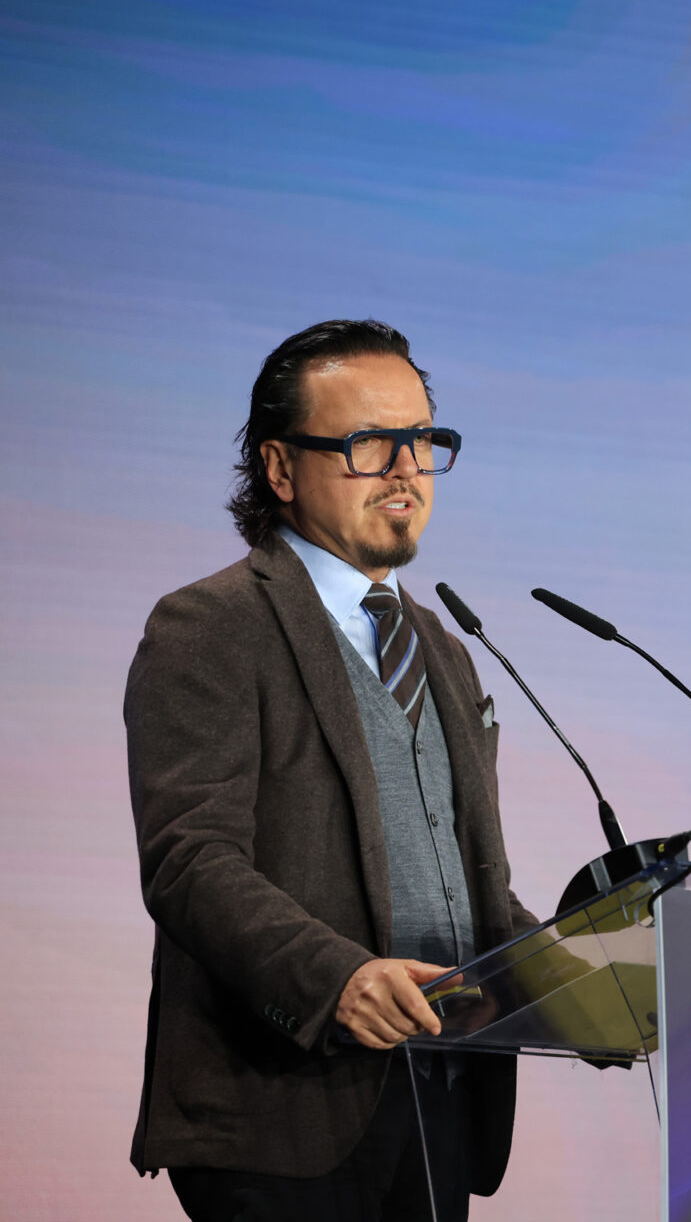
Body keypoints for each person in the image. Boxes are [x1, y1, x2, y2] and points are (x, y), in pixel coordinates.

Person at [125, 319, 542, 1220]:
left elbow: (466, 879)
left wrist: (576, 976)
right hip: (283, 1114)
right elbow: (190, 862)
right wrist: (338, 980)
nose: (405, 470)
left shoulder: (444, 647)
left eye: (422, 441)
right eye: (368, 444)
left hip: (441, 1098)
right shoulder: (210, 626)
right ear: (280, 468)